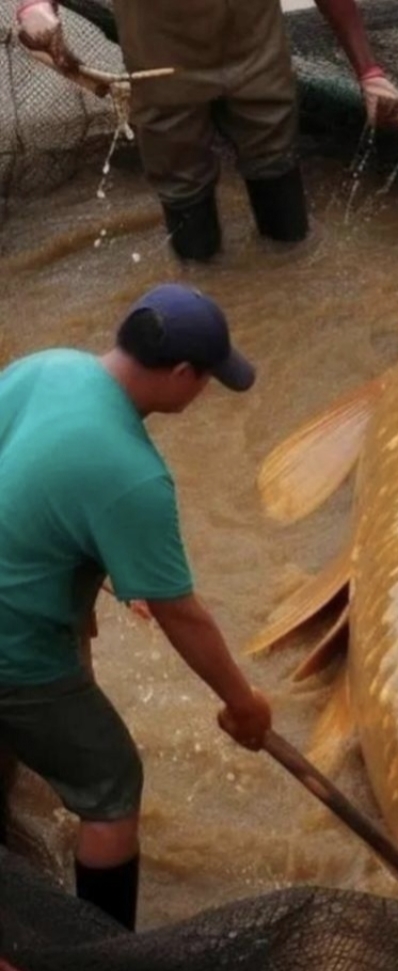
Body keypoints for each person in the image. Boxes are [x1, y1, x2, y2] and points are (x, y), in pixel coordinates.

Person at [0, 284, 274, 931]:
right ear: (181, 374)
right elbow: (182, 614)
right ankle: (106, 951)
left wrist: (102, 577)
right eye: (206, 379)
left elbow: (28, 487)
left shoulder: (45, 366)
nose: (203, 393)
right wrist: (244, 703)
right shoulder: (132, 473)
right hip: (14, 647)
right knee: (112, 787)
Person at [15, 0, 398, 263]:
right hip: (162, 72)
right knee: (182, 191)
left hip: (258, 61)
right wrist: (34, 9)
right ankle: (198, 295)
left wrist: (369, 73)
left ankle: (288, 268)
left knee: (280, 188)